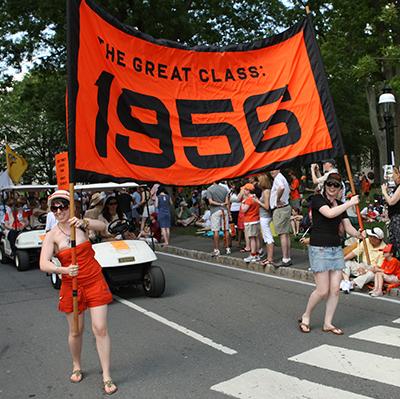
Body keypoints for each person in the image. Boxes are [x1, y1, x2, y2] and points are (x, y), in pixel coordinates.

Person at [39, 190, 117, 395]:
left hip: (94, 281)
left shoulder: (81, 224)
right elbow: (43, 263)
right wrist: (62, 270)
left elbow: (106, 228)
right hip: (71, 285)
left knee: (100, 328)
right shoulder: (52, 235)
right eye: (54, 208)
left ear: (70, 206)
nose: (58, 211)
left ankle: (107, 375)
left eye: (62, 206)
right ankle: (76, 364)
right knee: (76, 330)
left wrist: (85, 223)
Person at [298, 173, 362, 335]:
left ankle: (328, 323)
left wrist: (359, 234)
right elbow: (329, 213)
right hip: (319, 248)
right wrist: (350, 203)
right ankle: (306, 316)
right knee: (322, 290)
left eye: (336, 185)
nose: (332, 188)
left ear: (340, 188)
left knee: (335, 290)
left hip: (335, 248)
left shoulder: (340, 204)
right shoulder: (318, 199)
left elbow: (347, 227)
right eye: (330, 184)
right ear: (325, 185)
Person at [341, 227, 386, 293]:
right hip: (362, 265)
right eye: (370, 236)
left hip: (372, 270)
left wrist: (365, 270)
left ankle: (352, 284)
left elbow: (377, 268)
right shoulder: (366, 241)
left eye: (371, 236)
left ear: (377, 239)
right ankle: (346, 281)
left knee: (371, 274)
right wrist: (342, 260)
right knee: (347, 262)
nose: (369, 238)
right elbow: (354, 252)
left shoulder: (384, 249)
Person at [270, 170, 292, 267]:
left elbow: (281, 188)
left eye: (274, 169)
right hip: (285, 207)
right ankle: (287, 257)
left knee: (283, 235)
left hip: (280, 209)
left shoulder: (278, 178)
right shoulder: (282, 178)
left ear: (278, 169)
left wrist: (277, 199)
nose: (271, 171)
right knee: (286, 234)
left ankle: (285, 259)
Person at [206, 181, 230, 256]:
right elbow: (227, 201)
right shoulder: (224, 189)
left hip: (215, 210)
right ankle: (227, 248)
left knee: (215, 230)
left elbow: (210, 201)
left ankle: (216, 249)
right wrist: (223, 205)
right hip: (224, 210)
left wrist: (219, 204)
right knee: (226, 229)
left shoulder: (209, 189)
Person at [382, 166, 400, 256]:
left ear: (398, 174)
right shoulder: (396, 187)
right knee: (394, 242)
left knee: (398, 241)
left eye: (392, 174)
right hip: (394, 217)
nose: (391, 176)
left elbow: (391, 201)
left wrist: (384, 191)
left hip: (398, 218)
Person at [240, 183, 261, 263]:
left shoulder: (248, 200)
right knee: (256, 238)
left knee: (252, 238)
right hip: (256, 219)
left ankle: (252, 255)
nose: (243, 191)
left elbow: (244, 210)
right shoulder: (255, 197)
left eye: (245, 189)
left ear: (248, 191)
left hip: (250, 220)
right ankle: (257, 254)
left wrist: (242, 202)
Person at [258, 174, 274, 266]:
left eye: (259, 181)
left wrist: (257, 201)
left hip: (265, 216)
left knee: (268, 238)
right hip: (265, 216)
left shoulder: (266, 192)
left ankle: (270, 258)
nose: (258, 183)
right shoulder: (266, 191)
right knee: (267, 237)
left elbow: (267, 206)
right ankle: (269, 258)